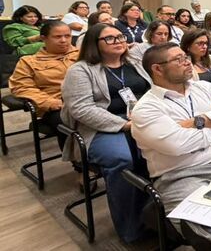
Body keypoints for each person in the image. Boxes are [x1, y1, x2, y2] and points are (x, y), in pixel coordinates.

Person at [132, 43, 211, 242]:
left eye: (186, 57)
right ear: (157, 69)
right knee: (206, 232)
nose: (188, 62)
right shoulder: (146, 108)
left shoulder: (203, 87)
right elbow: (177, 145)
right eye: (179, 59)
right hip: (181, 174)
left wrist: (198, 122)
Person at [60, 23, 151, 242]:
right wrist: (126, 125)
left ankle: (159, 216)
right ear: (94, 44)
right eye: (110, 38)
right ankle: (132, 229)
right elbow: (82, 110)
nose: (119, 41)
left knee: (168, 148)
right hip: (101, 127)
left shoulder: (134, 62)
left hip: (143, 119)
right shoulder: (80, 70)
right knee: (123, 159)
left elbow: (153, 91)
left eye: (120, 36)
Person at [10, 21, 79, 149]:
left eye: (67, 36)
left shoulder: (82, 54)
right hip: (56, 106)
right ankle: (79, 158)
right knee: (69, 120)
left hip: (87, 99)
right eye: (57, 37)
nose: (64, 40)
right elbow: (22, 87)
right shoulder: (29, 61)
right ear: (43, 38)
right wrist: (49, 102)